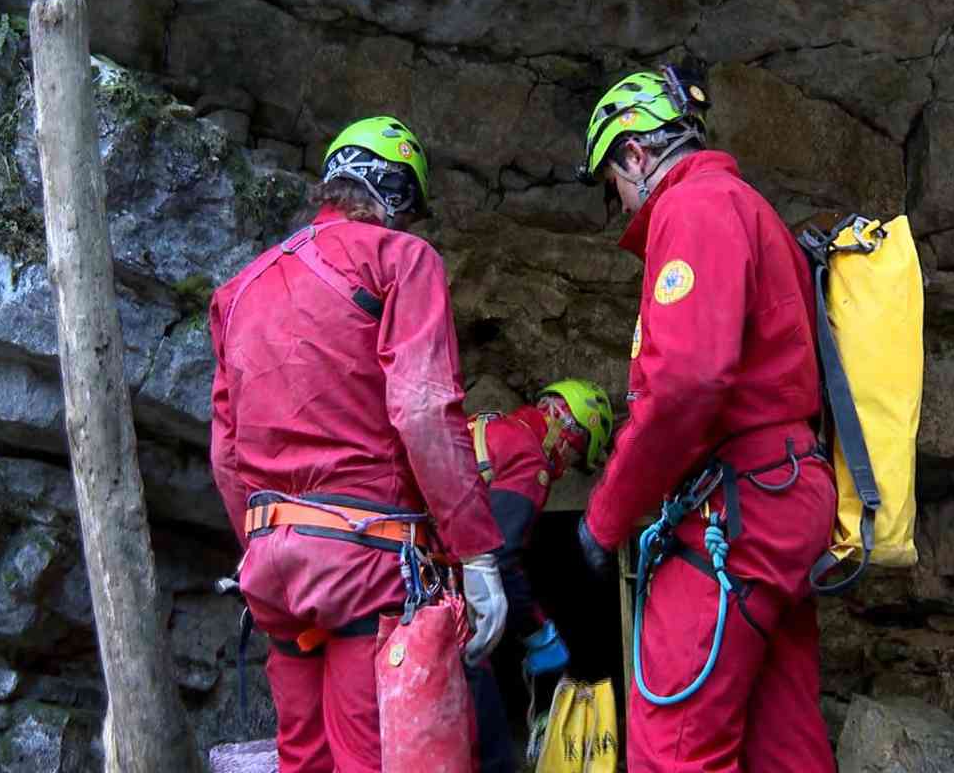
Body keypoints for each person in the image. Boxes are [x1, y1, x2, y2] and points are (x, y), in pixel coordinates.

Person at [209, 116, 508, 773]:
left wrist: (267, 546)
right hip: (364, 566)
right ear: (399, 198)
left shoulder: (238, 292)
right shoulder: (400, 260)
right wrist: (478, 554)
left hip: (271, 570)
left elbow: (227, 457)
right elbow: (423, 410)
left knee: (302, 761)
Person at [573, 67, 837, 772]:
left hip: (734, 512)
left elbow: (686, 382)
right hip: (781, 498)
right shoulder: (746, 208)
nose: (620, 205)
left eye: (612, 187)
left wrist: (604, 518)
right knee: (782, 744)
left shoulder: (695, 207)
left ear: (634, 154)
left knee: (674, 747)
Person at [465, 379, 615, 773]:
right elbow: (500, 556)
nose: (564, 468)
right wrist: (536, 632)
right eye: (575, 454)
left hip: (407, 577)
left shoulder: (487, 428)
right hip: (446, 607)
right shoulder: (529, 457)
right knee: (492, 752)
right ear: (567, 433)